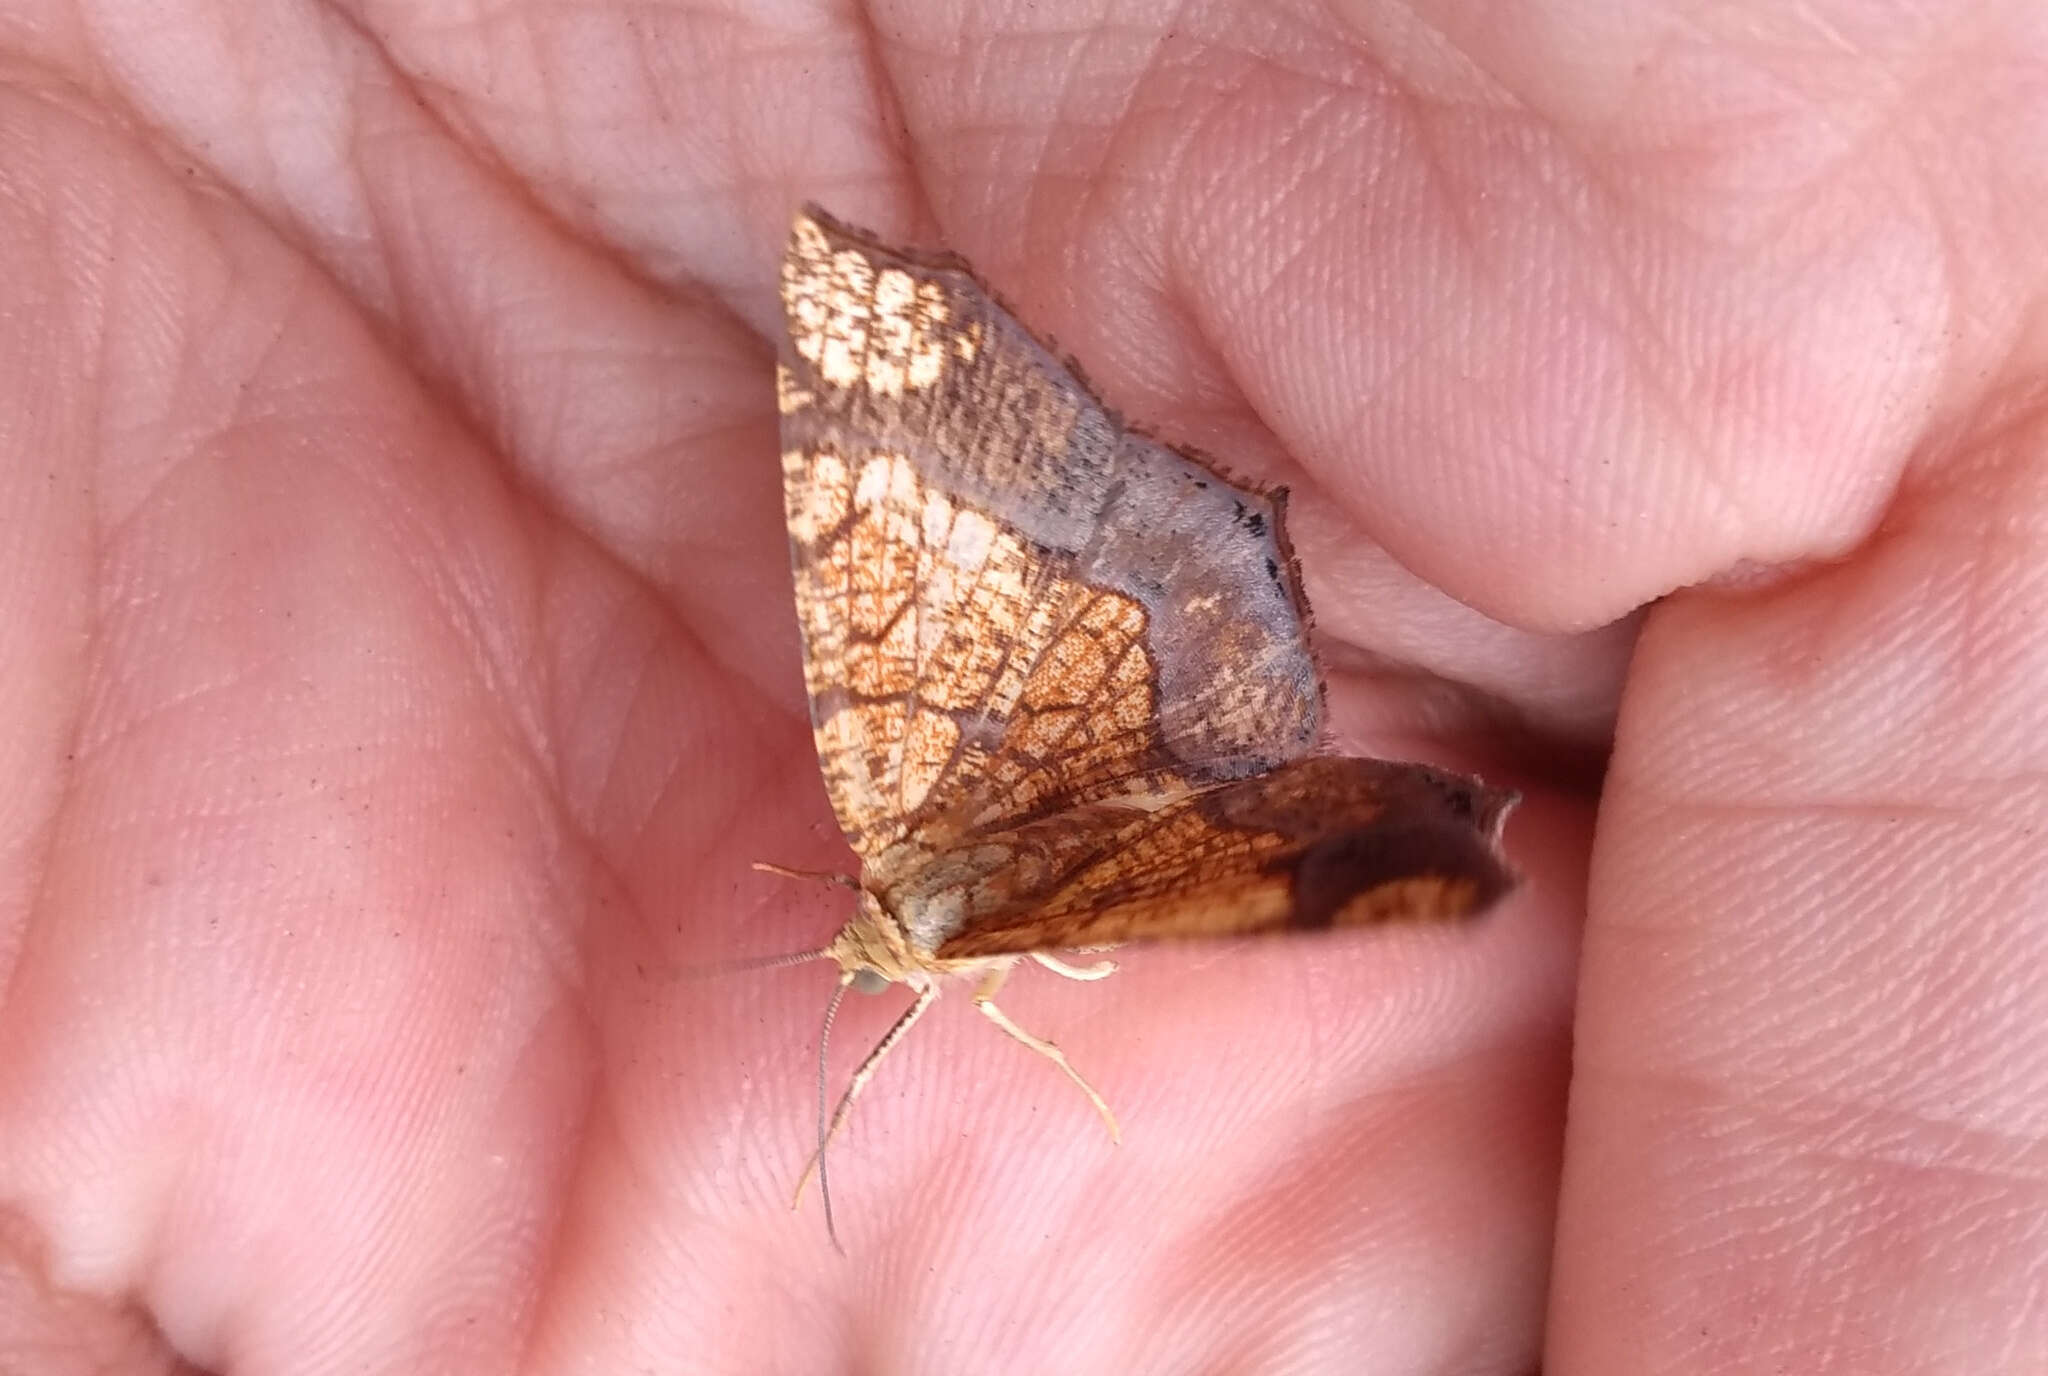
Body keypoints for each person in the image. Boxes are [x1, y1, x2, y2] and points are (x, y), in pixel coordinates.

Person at [0, 4, 2039, 1372]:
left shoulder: (914, 847)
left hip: (1145, 743)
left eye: (878, 958)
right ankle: (1358, 823)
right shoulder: (913, 840)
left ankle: (1358, 823)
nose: (873, 963)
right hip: (1140, 695)